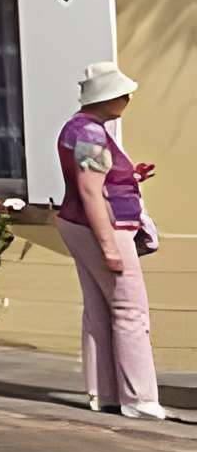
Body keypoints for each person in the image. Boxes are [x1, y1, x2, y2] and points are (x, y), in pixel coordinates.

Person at [56, 63, 166, 420]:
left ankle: (104, 392)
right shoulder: (91, 133)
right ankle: (140, 398)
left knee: (99, 309)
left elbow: (94, 180)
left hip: (78, 222)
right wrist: (107, 246)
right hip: (105, 226)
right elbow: (90, 191)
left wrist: (129, 177)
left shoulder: (80, 128)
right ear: (107, 97)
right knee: (129, 310)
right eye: (122, 94)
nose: (127, 99)